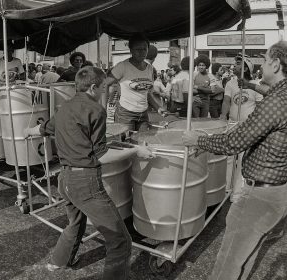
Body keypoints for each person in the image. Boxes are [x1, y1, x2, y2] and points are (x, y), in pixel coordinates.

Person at [24, 66, 154, 280]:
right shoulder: (96, 110)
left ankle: (58, 262)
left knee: (75, 223)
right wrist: (136, 150)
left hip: (64, 179)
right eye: (103, 87)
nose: (105, 91)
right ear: (93, 87)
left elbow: (44, 128)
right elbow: (101, 155)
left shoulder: (64, 107)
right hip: (85, 183)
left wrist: (27, 131)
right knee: (120, 240)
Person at [182, 40, 287, 280]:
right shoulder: (281, 95)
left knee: (228, 263)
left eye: (265, 59)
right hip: (277, 190)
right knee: (245, 256)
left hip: (259, 195)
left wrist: (198, 141)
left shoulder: (276, 102)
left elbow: (235, 142)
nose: (262, 64)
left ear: (276, 64)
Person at [221, 55, 264, 202]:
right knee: (228, 158)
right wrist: (222, 117)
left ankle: (237, 193)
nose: (234, 65)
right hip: (232, 125)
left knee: (242, 158)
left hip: (247, 127)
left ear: (245, 67)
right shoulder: (230, 83)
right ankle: (226, 188)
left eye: (238, 63)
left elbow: (259, 106)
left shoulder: (255, 84)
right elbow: (226, 102)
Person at [104, 34, 167, 131]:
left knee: (142, 141)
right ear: (131, 50)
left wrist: (158, 108)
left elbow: (148, 93)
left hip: (143, 114)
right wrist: (103, 109)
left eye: (144, 49)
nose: (142, 53)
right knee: (126, 143)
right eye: (138, 49)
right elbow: (105, 84)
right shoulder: (122, 66)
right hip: (125, 114)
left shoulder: (150, 68)